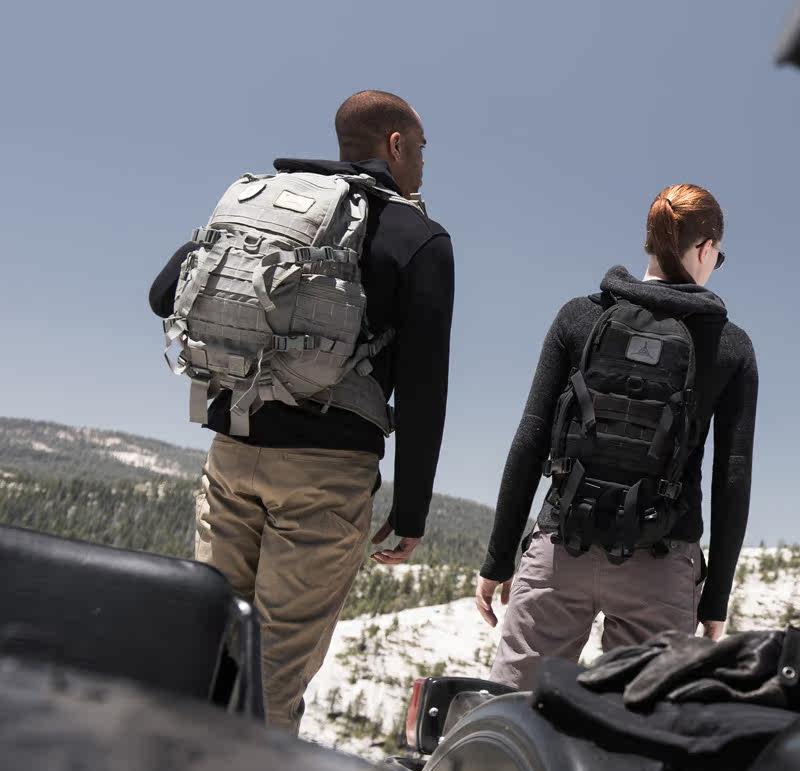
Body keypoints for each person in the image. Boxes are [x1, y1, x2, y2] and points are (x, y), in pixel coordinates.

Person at [149, 90, 455, 733]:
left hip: (233, 450)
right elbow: (423, 386)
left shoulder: (257, 204)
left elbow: (162, 295)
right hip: (326, 474)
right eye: (423, 148)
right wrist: (411, 511)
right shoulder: (418, 236)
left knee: (209, 651)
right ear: (396, 144)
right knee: (272, 678)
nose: (425, 163)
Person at [475, 183, 758, 690]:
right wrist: (716, 598)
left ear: (651, 241)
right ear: (705, 248)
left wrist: (498, 559)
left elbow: (530, 439)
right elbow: (732, 479)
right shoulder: (730, 345)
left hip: (562, 549)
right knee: (640, 726)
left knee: (509, 709)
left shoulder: (578, 317)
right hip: (661, 564)